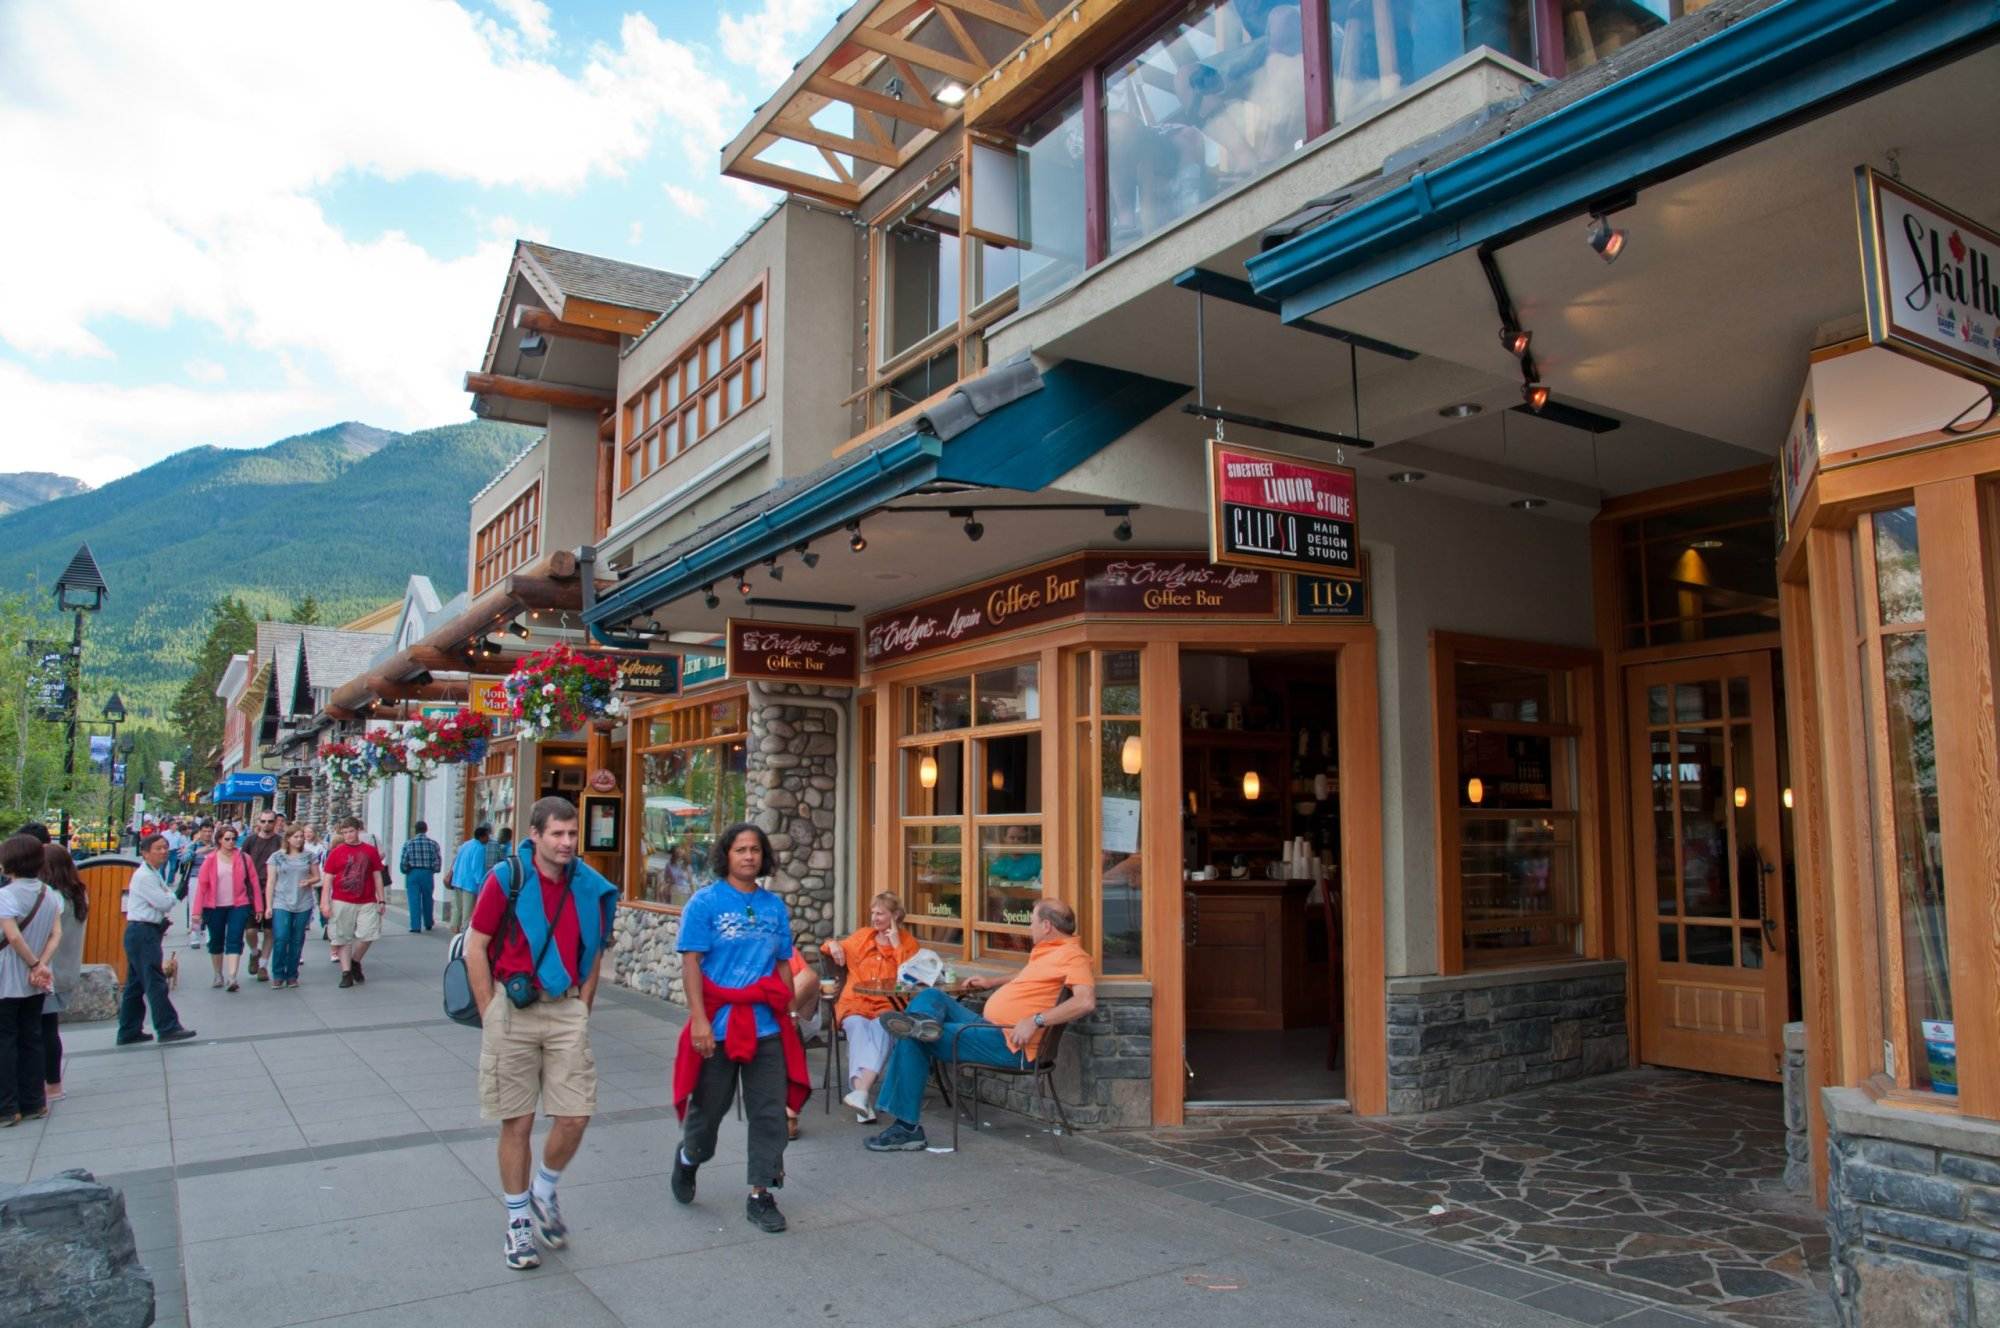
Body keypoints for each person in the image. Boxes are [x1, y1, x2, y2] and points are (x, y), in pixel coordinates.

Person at [462, 796, 619, 1271]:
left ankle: (543, 1189)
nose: (568, 842)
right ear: (536, 835)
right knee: (519, 1121)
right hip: (513, 1011)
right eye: (558, 834)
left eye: (572, 834)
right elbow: (476, 946)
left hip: (565, 1007)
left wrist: (583, 1004)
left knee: (575, 1115)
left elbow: (593, 950)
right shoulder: (508, 879)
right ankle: (516, 1224)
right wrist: (491, 1010)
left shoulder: (588, 886)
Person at [864, 899, 1095, 1153]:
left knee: (912, 1039)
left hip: (1009, 1042)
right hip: (990, 1028)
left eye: (1032, 922)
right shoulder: (1049, 950)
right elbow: (1027, 977)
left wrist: (1036, 1020)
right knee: (931, 997)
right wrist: (991, 981)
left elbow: (1085, 1001)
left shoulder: (1073, 956)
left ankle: (907, 1129)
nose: (1030, 927)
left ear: (1047, 925)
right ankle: (921, 1024)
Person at [670, 823, 810, 1235]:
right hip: (718, 1024)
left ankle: (761, 1193)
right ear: (726, 856)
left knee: (769, 1112)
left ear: (764, 857)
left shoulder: (773, 907)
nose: (749, 857)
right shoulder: (705, 903)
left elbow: (783, 962)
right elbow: (691, 962)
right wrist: (698, 1020)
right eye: (740, 850)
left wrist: (788, 1010)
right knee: (708, 1112)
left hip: (765, 1025)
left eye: (755, 850)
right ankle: (689, 1158)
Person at [817, 891, 921, 1122]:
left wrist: (896, 947)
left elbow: (911, 978)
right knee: (857, 1028)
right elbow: (827, 947)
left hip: (889, 1004)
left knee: (885, 1028)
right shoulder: (863, 936)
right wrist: (833, 944)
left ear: (895, 916)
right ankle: (862, 1093)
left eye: (880, 913)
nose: (874, 918)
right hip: (855, 1003)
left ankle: (860, 1093)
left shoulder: (908, 943)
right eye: (873, 912)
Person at [0, 834, 60, 1125]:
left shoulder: (6, 895)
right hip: (35, 980)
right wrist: (42, 966)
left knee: (5, 1041)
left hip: (6, 977)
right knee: (31, 1038)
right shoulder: (49, 894)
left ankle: (7, 1107)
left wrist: (34, 963)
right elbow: (55, 934)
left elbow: (12, 936)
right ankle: (35, 1101)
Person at [119, 834, 195, 1047]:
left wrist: (171, 896)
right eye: (158, 848)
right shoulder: (145, 876)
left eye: (165, 848)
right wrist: (175, 896)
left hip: (145, 931)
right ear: (145, 852)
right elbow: (163, 902)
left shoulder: (153, 873)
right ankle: (167, 1026)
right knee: (155, 981)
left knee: (135, 985)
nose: (163, 852)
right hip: (143, 932)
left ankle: (129, 1029)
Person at [39, 844, 87, 1102]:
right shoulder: (77, 895)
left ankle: (51, 1085)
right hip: (66, 970)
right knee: (49, 1029)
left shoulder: (53, 898)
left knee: (42, 1030)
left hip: (48, 971)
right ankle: (53, 1084)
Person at [193, 825, 264, 992]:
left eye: (233, 839)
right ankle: (218, 974)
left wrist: (259, 907)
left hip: (238, 904)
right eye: (227, 839)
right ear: (219, 840)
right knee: (216, 940)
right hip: (214, 906)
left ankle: (232, 977)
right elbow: (202, 887)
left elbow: (254, 883)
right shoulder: (210, 859)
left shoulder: (244, 858)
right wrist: (196, 912)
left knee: (235, 939)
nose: (231, 842)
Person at [320, 818, 385, 988]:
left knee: (369, 933)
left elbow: (377, 875)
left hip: (367, 899)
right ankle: (346, 972)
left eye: (351, 831)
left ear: (358, 831)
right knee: (343, 936)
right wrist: (324, 902)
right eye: (345, 832)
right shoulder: (337, 852)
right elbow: (327, 877)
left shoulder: (370, 851)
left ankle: (355, 960)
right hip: (342, 899)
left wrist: (382, 899)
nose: (348, 835)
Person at [265, 827, 320, 989]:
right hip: (281, 900)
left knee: (297, 939)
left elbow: (317, 876)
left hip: (303, 901)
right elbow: (271, 881)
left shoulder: (309, 856)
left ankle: (292, 974)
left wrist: (309, 881)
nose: (299, 839)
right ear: (288, 838)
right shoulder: (277, 857)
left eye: (301, 836)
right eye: (296, 836)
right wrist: (268, 905)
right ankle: (278, 973)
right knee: (281, 937)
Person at [238, 810, 283, 982]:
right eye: (263, 821)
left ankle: (263, 965)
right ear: (259, 822)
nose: (266, 825)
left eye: (270, 821)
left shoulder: (280, 841)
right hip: (251, 890)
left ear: (275, 823)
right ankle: (254, 952)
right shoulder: (250, 841)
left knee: (270, 930)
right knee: (250, 930)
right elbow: (242, 863)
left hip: (274, 890)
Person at [783, 949, 822, 1141]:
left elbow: (808, 979)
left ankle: (788, 1109)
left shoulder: (784, 947)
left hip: (796, 1018)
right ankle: (789, 1109)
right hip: (759, 1023)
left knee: (809, 976)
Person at [445, 824, 491, 935]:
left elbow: (456, 860)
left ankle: (454, 928)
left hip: (458, 880)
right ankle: (464, 932)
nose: (488, 838)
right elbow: (477, 869)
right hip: (469, 884)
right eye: (487, 836)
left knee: (457, 907)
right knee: (468, 911)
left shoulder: (466, 844)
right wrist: (481, 884)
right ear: (482, 837)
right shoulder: (480, 848)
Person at [399, 820, 442, 934]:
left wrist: (405, 870)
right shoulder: (433, 844)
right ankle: (428, 922)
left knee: (414, 899)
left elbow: (404, 861)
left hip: (413, 873)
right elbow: (437, 861)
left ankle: (415, 926)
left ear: (415, 830)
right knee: (428, 898)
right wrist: (434, 870)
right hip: (427, 873)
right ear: (426, 830)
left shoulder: (409, 843)